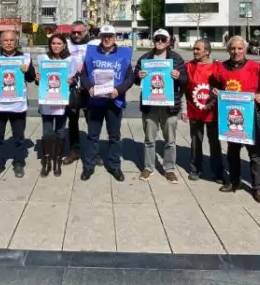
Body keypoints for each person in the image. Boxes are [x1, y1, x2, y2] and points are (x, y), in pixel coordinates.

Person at [211, 36, 260, 203]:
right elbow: (214, 85)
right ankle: (235, 182)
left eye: (239, 48)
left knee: (254, 154)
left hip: (250, 116)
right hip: (230, 116)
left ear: (245, 49)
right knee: (232, 152)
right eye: (233, 48)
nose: (236, 51)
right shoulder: (220, 68)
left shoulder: (256, 67)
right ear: (228, 50)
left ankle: (258, 187)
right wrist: (214, 90)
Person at [80, 24, 135, 182]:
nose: (107, 39)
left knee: (115, 136)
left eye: (110, 36)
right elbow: (83, 75)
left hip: (114, 101)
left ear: (115, 37)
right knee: (92, 136)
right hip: (95, 100)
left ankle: (114, 166)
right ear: (100, 38)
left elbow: (130, 77)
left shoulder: (124, 54)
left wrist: (119, 90)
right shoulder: (92, 53)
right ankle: (88, 167)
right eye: (104, 36)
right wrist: (89, 87)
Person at [134, 29, 188, 184]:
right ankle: (148, 167)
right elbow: (136, 79)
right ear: (153, 40)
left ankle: (169, 169)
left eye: (163, 39)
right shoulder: (145, 58)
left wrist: (180, 77)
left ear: (169, 41)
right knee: (149, 139)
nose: (159, 41)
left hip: (169, 105)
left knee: (170, 140)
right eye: (157, 39)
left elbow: (185, 80)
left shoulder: (176, 59)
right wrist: (139, 76)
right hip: (150, 105)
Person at [0, 30, 36, 179]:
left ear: (16, 41)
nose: (8, 43)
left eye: (11, 40)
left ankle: (18, 163)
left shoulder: (25, 57)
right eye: (5, 40)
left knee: (19, 136)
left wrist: (28, 70)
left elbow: (31, 78)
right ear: (1, 42)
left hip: (17, 104)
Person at [35, 33, 78, 177]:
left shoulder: (70, 60)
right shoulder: (44, 59)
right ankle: (47, 160)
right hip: (47, 100)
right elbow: (39, 80)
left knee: (60, 131)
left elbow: (76, 77)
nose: (56, 46)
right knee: (47, 132)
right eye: (53, 43)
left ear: (64, 45)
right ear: (50, 45)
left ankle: (57, 161)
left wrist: (72, 81)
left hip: (62, 100)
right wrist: (37, 78)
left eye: (59, 43)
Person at [185, 39, 222, 182]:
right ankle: (195, 168)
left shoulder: (217, 66)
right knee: (196, 141)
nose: (194, 51)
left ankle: (217, 172)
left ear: (207, 51)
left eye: (198, 49)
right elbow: (182, 86)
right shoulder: (188, 66)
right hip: (194, 109)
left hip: (213, 111)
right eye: (194, 48)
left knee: (214, 142)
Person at [64, 20, 91, 165]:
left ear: (85, 32)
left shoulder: (93, 45)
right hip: (71, 89)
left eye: (79, 32)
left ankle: (94, 151)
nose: (76, 35)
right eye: (73, 32)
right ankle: (74, 150)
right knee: (72, 121)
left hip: (89, 89)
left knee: (92, 121)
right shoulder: (66, 45)